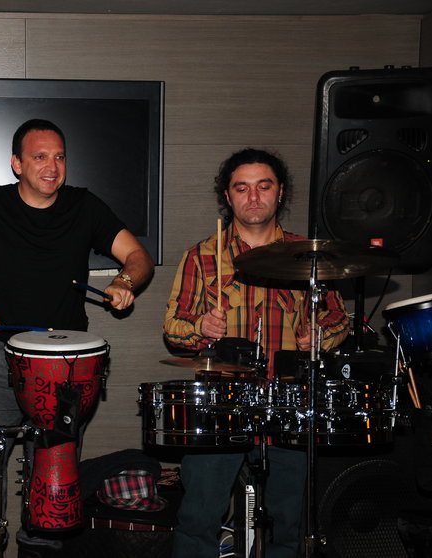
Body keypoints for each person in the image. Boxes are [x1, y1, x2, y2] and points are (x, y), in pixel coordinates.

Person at [0, 119, 154, 558]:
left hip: (66, 362)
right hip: (0, 354)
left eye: (59, 157)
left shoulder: (84, 205)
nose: (52, 166)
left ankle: (41, 547)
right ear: (17, 163)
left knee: (53, 467)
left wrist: (125, 281)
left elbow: (137, 256)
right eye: (40, 157)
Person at [163, 148, 349, 558]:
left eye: (263, 186)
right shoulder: (202, 256)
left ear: (279, 192)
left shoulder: (309, 255)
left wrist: (319, 336)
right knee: (198, 521)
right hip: (220, 404)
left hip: (288, 404)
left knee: (287, 527)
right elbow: (173, 327)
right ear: (227, 196)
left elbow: (339, 317)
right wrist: (200, 328)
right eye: (241, 188)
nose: (253, 197)